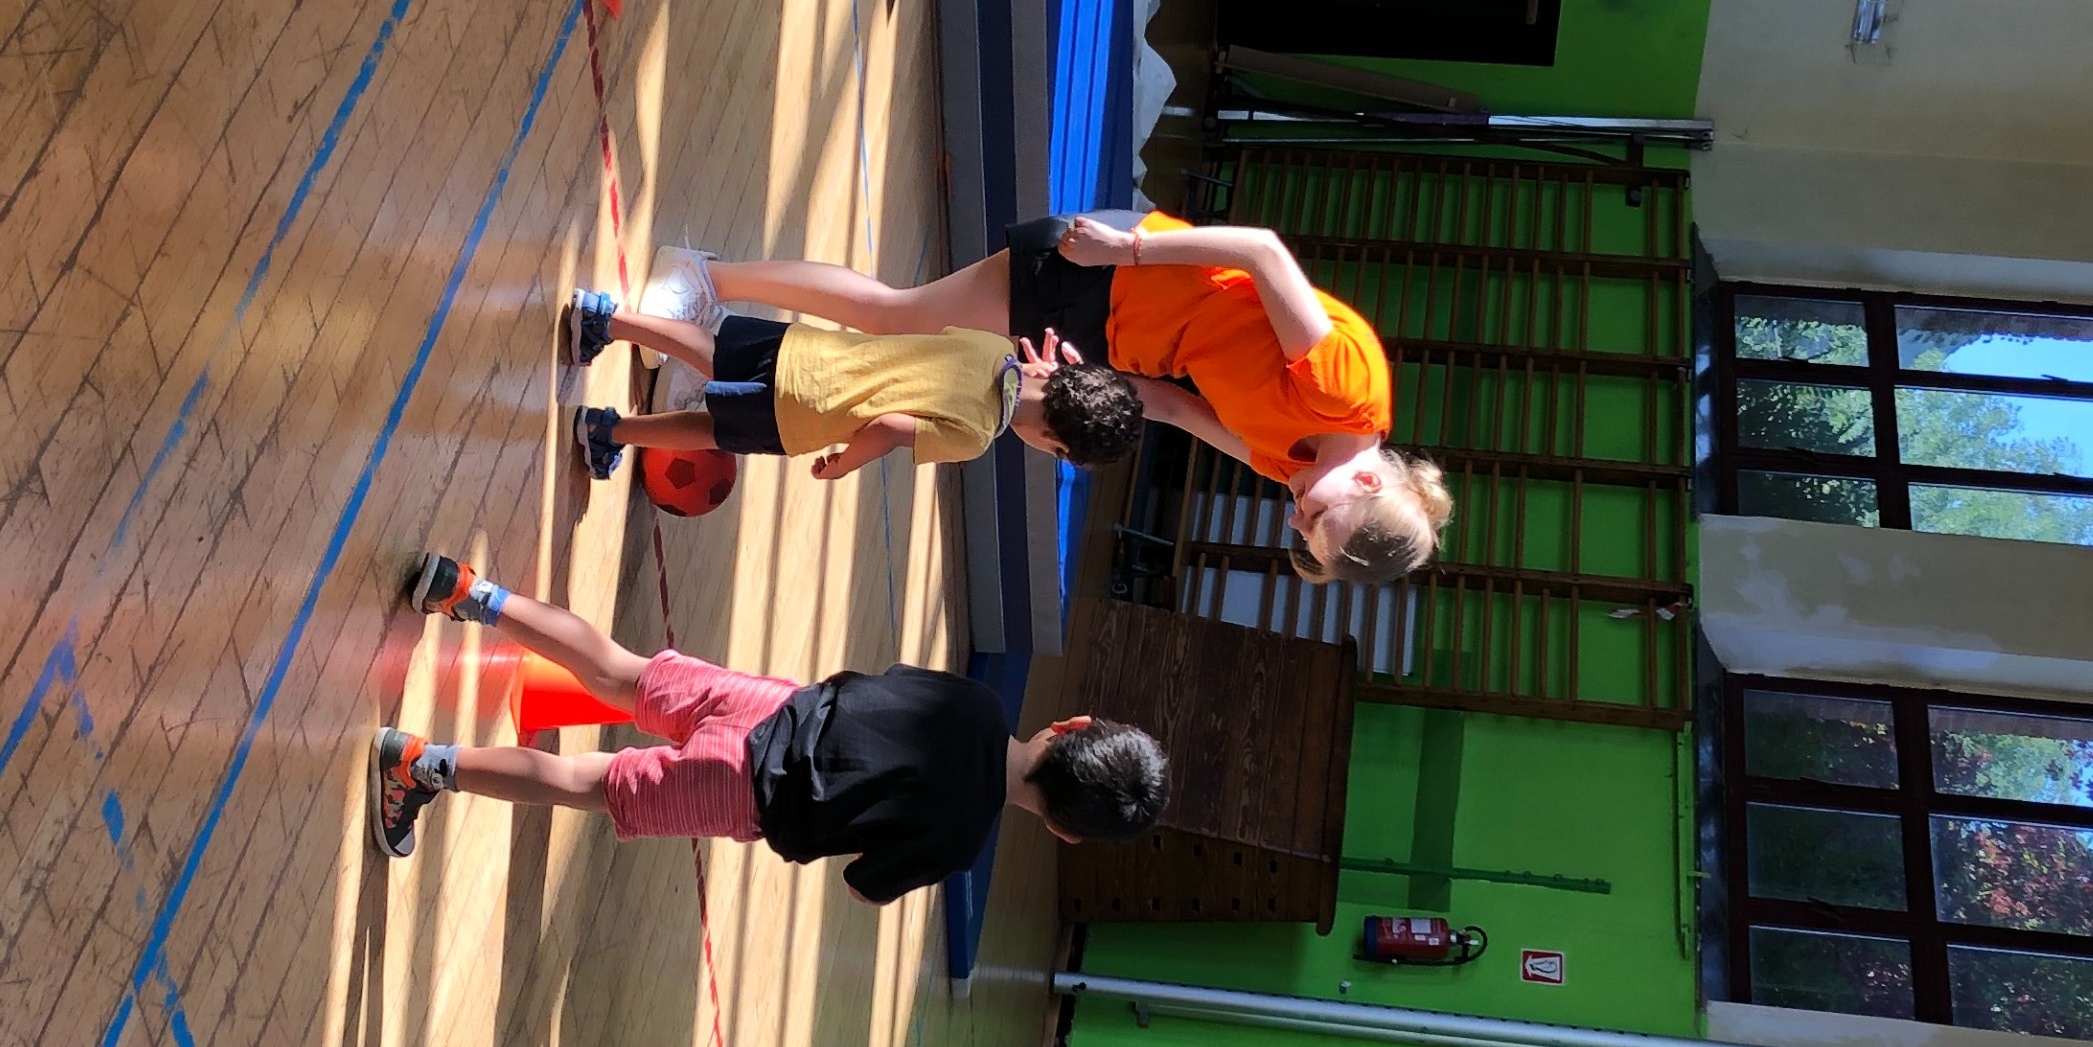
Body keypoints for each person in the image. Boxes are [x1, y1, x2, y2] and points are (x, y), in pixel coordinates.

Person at [639, 213, 1451, 582]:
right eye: (1318, 519)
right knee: (894, 316)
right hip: (1116, 270)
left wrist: (1067, 389)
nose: (1296, 517)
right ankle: (706, 277)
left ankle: (713, 342)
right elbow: (1265, 254)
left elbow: (1172, 407)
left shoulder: (1291, 468)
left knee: (894, 337)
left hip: (1114, 339)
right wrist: (1127, 249)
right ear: (1368, 480)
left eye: (1305, 535)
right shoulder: (1343, 389)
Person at [373, 552, 1166, 885]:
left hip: (771, 703)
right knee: (586, 781)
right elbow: (864, 883)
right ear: (1065, 831)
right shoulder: (960, 842)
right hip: (746, 791)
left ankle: (469, 592)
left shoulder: (978, 703)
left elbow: (884, 686)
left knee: (615, 669)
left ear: (1071, 725)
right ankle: (419, 764)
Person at [557, 289, 1143, 484]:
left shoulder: (993, 347)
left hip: (811, 351)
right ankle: (607, 430)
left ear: (1058, 374)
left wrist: (1030, 371)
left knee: (710, 350)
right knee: (712, 430)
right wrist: (844, 464)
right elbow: (887, 427)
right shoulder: (975, 435)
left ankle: (607, 318)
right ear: (1055, 443)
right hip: (804, 416)